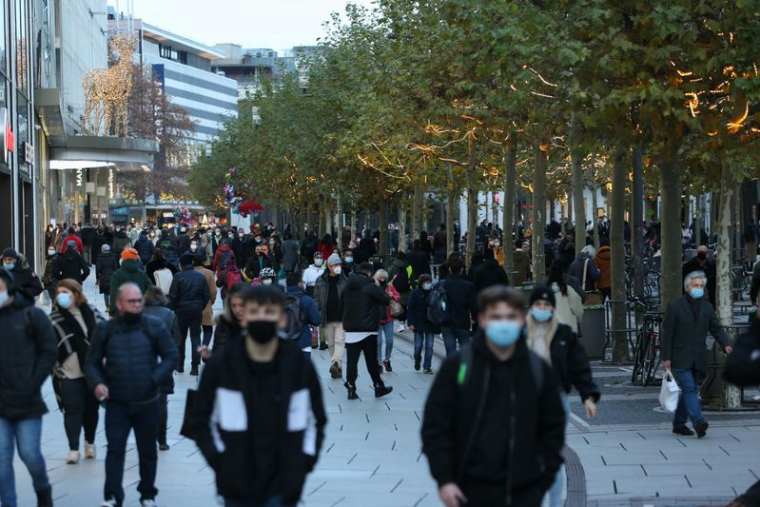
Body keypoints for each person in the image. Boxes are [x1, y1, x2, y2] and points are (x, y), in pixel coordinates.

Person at [182, 285, 327, 507]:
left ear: (281, 318)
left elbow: (314, 419)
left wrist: (302, 463)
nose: (262, 317)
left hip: (284, 482)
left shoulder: (297, 364)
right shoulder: (221, 365)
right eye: (255, 311)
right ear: (243, 317)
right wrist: (222, 463)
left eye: (269, 312)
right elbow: (201, 421)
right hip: (236, 483)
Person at [421, 285, 566, 507]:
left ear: (521, 320)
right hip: (470, 489)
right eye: (496, 317)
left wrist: (541, 481)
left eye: (510, 317)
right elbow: (436, 427)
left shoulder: (537, 369)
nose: (503, 323)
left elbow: (553, 428)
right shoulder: (458, 366)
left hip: (524, 491)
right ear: (482, 319)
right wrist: (445, 480)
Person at [85, 283, 178, 507]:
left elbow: (171, 356)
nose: (137, 305)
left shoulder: (154, 326)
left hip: (147, 401)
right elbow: (92, 361)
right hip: (116, 402)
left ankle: (147, 494)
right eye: (132, 302)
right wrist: (97, 383)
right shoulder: (106, 329)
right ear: (119, 304)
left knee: (147, 451)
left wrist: (154, 379)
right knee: (115, 449)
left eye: (139, 301)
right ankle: (112, 496)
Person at [525, 285, 599, 507]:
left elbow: (579, 367)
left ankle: (554, 503)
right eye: (538, 304)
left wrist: (588, 396)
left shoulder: (564, 334)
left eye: (547, 305)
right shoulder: (518, 333)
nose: (542, 308)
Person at [0, 269, 57, 507]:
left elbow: (49, 350)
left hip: (27, 400)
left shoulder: (32, 315)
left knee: (30, 454)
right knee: (2, 461)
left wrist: (33, 381)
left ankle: (43, 489)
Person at [661, 271, 732, 438]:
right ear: (687, 287)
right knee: (689, 388)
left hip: (698, 356)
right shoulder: (675, 306)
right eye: (695, 286)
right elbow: (668, 334)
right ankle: (698, 421)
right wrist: (667, 357)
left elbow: (716, 328)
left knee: (688, 391)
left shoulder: (707, 308)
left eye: (701, 286)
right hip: (680, 356)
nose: (698, 288)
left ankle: (678, 424)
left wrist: (726, 344)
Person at [50, 279, 105, 464]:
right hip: (68, 373)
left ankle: (90, 442)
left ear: (76, 293)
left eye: (66, 292)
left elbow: (104, 336)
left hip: (92, 372)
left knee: (91, 410)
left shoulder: (92, 313)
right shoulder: (54, 318)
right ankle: (73, 449)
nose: (62, 296)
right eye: (60, 292)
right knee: (72, 411)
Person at [342, 263, 393, 400]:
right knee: (371, 362)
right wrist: (377, 285)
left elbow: (342, 302)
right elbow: (385, 300)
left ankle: (351, 387)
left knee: (352, 362)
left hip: (351, 330)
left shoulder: (347, 285)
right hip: (368, 330)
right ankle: (378, 386)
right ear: (369, 273)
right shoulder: (370, 286)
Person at [141, 287, 181, 451]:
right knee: (161, 401)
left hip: (142, 363)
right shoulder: (169, 315)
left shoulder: (140, 313)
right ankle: (162, 439)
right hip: (163, 362)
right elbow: (176, 340)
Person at [169, 253, 210, 376]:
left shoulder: (178, 276)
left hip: (181, 310)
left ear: (181, 264)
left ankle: (180, 365)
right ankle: (195, 367)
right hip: (196, 310)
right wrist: (200, 306)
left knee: (181, 338)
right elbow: (206, 295)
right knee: (195, 338)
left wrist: (176, 307)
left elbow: (173, 295)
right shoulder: (201, 277)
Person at [314, 253, 348, 378]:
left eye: (339, 264)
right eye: (335, 264)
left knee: (340, 342)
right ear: (329, 266)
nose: (338, 266)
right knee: (332, 344)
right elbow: (316, 299)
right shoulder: (320, 280)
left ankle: (334, 363)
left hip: (341, 318)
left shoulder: (345, 280)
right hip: (327, 317)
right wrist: (316, 314)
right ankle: (337, 368)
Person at [439, 257, 476, 356]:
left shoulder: (442, 284)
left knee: (450, 351)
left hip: (446, 321)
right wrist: (474, 318)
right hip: (463, 321)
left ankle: (453, 370)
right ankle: (463, 371)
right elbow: (474, 306)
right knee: (465, 353)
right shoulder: (468, 286)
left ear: (449, 269)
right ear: (462, 269)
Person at [407, 274, 439, 374]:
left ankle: (427, 367)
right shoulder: (415, 293)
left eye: (429, 282)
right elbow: (410, 308)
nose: (428, 284)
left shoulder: (434, 292)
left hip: (431, 322)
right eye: (426, 282)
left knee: (429, 346)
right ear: (421, 283)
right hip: (418, 322)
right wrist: (410, 323)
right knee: (418, 346)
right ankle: (417, 359)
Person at [285, 272, 322, 354]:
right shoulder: (307, 299)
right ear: (299, 284)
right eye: (302, 281)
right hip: (304, 342)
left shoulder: (280, 299)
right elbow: (316, 320)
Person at [108, 248, 153, 316]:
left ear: (123, 259)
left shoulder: (116, 275)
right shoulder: (142, 274)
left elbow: (113, 295)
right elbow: (152, 290)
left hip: (122, 313)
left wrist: (112, 312)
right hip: (139, 311)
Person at [546, 261, 584, 333]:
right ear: (562, 275)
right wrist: (579, 319)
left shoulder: (544, 289)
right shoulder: (567, 289)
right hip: (567, 327)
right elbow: (577, 307)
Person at [374, 269, 400, 372]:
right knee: (378, 342)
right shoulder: (373, 287)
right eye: (380, 278)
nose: (382, 280)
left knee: (390, 341)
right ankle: (378, 363)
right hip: (376, 318)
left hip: (389, 318)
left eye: (383, 278)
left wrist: (392, 296)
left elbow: (398, 296)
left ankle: (387, 359)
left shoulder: (389, 287)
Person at [194, 254, 217, 348]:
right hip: (206, 305)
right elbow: (213, 291)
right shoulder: (209, 273)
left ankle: (196, 354)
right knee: (208, 330)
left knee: (194, 333)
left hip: (192, 306)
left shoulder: (187, 272)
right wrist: (211, 301)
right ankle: (204, 347)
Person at [388, 251, 413, 330]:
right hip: (407, 289)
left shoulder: (394, 266)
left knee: (399, 306)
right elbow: (412, 278)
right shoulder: (409, 266)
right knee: (406, 306)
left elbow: (389, 277)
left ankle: (401, 323)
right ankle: (408, 322)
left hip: (396, 289)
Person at [95, 244, 119, 309]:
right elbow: (116, 267)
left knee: (105, 292)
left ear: (102, 250)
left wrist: (97, 278)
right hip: (112, 276)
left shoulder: (100, 258)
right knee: (112, 291)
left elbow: (98, 269)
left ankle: (107, 307)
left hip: (103, 276)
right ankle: (112, 305)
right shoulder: (113, 257)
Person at [593, 237, 612, 301]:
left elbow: (596, 271)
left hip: (601, 284)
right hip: (612, 283)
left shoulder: (597, 258)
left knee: (600, 304)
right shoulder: (613, 256)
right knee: (614, 304)